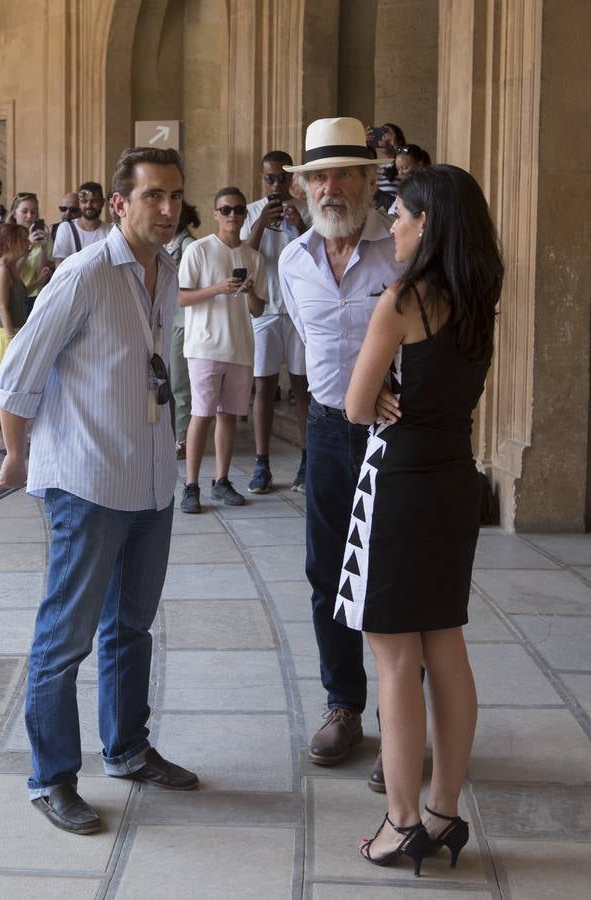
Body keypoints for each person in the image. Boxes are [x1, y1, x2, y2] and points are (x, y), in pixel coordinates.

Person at [0, 147, 199, 836]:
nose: (167, 210)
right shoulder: (81, 274)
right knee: (64, 639)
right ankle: (50, 778)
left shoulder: (166, 270)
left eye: (173, 196)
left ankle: (127, 749)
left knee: (130, 629)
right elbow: (18, 370)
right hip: (84, 482)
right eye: (152, 197)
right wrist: (17, 456)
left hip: (148, 479)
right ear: (118, 203)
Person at [346, 165, 502, 876]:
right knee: (444, 645)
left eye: (402, 215)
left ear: (428, 223)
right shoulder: (478, 296)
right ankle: (440, 813)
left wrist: (377, 387)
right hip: (452, 482)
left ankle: (400, 822)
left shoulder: (401, 299)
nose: (393, 226)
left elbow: (352, 404)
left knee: (393, 657)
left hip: (400, 484)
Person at [278, 117, 404, 773]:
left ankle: (399, 726)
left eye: (341, 174)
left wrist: (389, 384)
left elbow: (427, 334)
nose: (328, 187)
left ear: (365, 181)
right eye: (317, 176)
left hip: (394, 433)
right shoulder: (291, 258)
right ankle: (342, 705)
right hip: (326, 430)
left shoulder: (401, 248)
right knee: (326, 569)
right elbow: (307, 344)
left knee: (391, 575)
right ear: (304, 188)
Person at [177, 188, 267, 512]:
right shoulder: (199, 250)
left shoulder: (254, 258)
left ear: (245, 215)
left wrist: (251, 291)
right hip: (204, 345)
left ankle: (222, 480)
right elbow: (181, 297)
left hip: (241, 347)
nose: (232, 215)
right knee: (201, 414)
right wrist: (217, 288)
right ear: (215, 214)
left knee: (229, 415)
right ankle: (190, 486)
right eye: (225, 210)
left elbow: (258, 310)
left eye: (238, 210)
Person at [242, 150, 312, 493]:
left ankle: (306, 461)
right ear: (262, 178)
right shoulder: (253, 212)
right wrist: (260, 224)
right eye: (270, 178)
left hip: (299, 311)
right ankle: (262, 463)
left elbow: (318, 256)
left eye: (283, 177)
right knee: (264, 386)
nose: (276, 184)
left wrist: (300, 225)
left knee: (302, 388)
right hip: (265, 310)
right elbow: (244, 254)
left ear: (291, 179)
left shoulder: (306, 209)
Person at [0, 222, 30, 461]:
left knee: (5, 393)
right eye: (24, 240)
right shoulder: (1, 270)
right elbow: (1, 306)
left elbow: (16, 298)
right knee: (3, 393)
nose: (28, 244)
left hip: (13, 333)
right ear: (11, 242)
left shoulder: (12, 267)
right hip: (4, 335)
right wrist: (12, 339)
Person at [165, 202, 200, 457]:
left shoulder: (188, 245)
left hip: (183, 321)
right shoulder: (169, 243)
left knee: (180, 384)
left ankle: (183, 439)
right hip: (169, 319)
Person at [8, 192, 54, 318]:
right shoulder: (4, 238)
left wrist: (44, 248)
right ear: (14, 213)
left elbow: (42, 275)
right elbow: (11, 273)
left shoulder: (43, 239)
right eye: (24, 211)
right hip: (12, 297)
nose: (29, 216)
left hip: (35, 297)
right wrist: (28, 246)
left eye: (33, 212)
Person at [52, 181, 111, 265]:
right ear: (79, 203)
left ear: (102, 202)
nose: (89, 205)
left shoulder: (110, 231)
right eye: (84, 201)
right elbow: (60, 267)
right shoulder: (66, 229)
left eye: (94, 201)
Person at [388, 145, 432, 214]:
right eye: (398, 169)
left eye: (404, 168)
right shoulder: (405, 189)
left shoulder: (427, 189)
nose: (400, 173)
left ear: (419, 165)